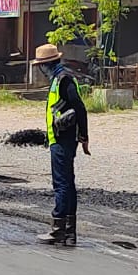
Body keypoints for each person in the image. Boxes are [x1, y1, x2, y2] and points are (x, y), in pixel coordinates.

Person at [30, 44, 89, 246]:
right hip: (59, 138)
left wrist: (84, 136)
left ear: (47, 65)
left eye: (41, 66)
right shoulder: (58, 79)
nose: (40, 69)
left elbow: (80, 108)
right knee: (67, 184)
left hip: (63, 139)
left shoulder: (63, 79)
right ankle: (69, 233)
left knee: (61, 184)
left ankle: (58, 229)